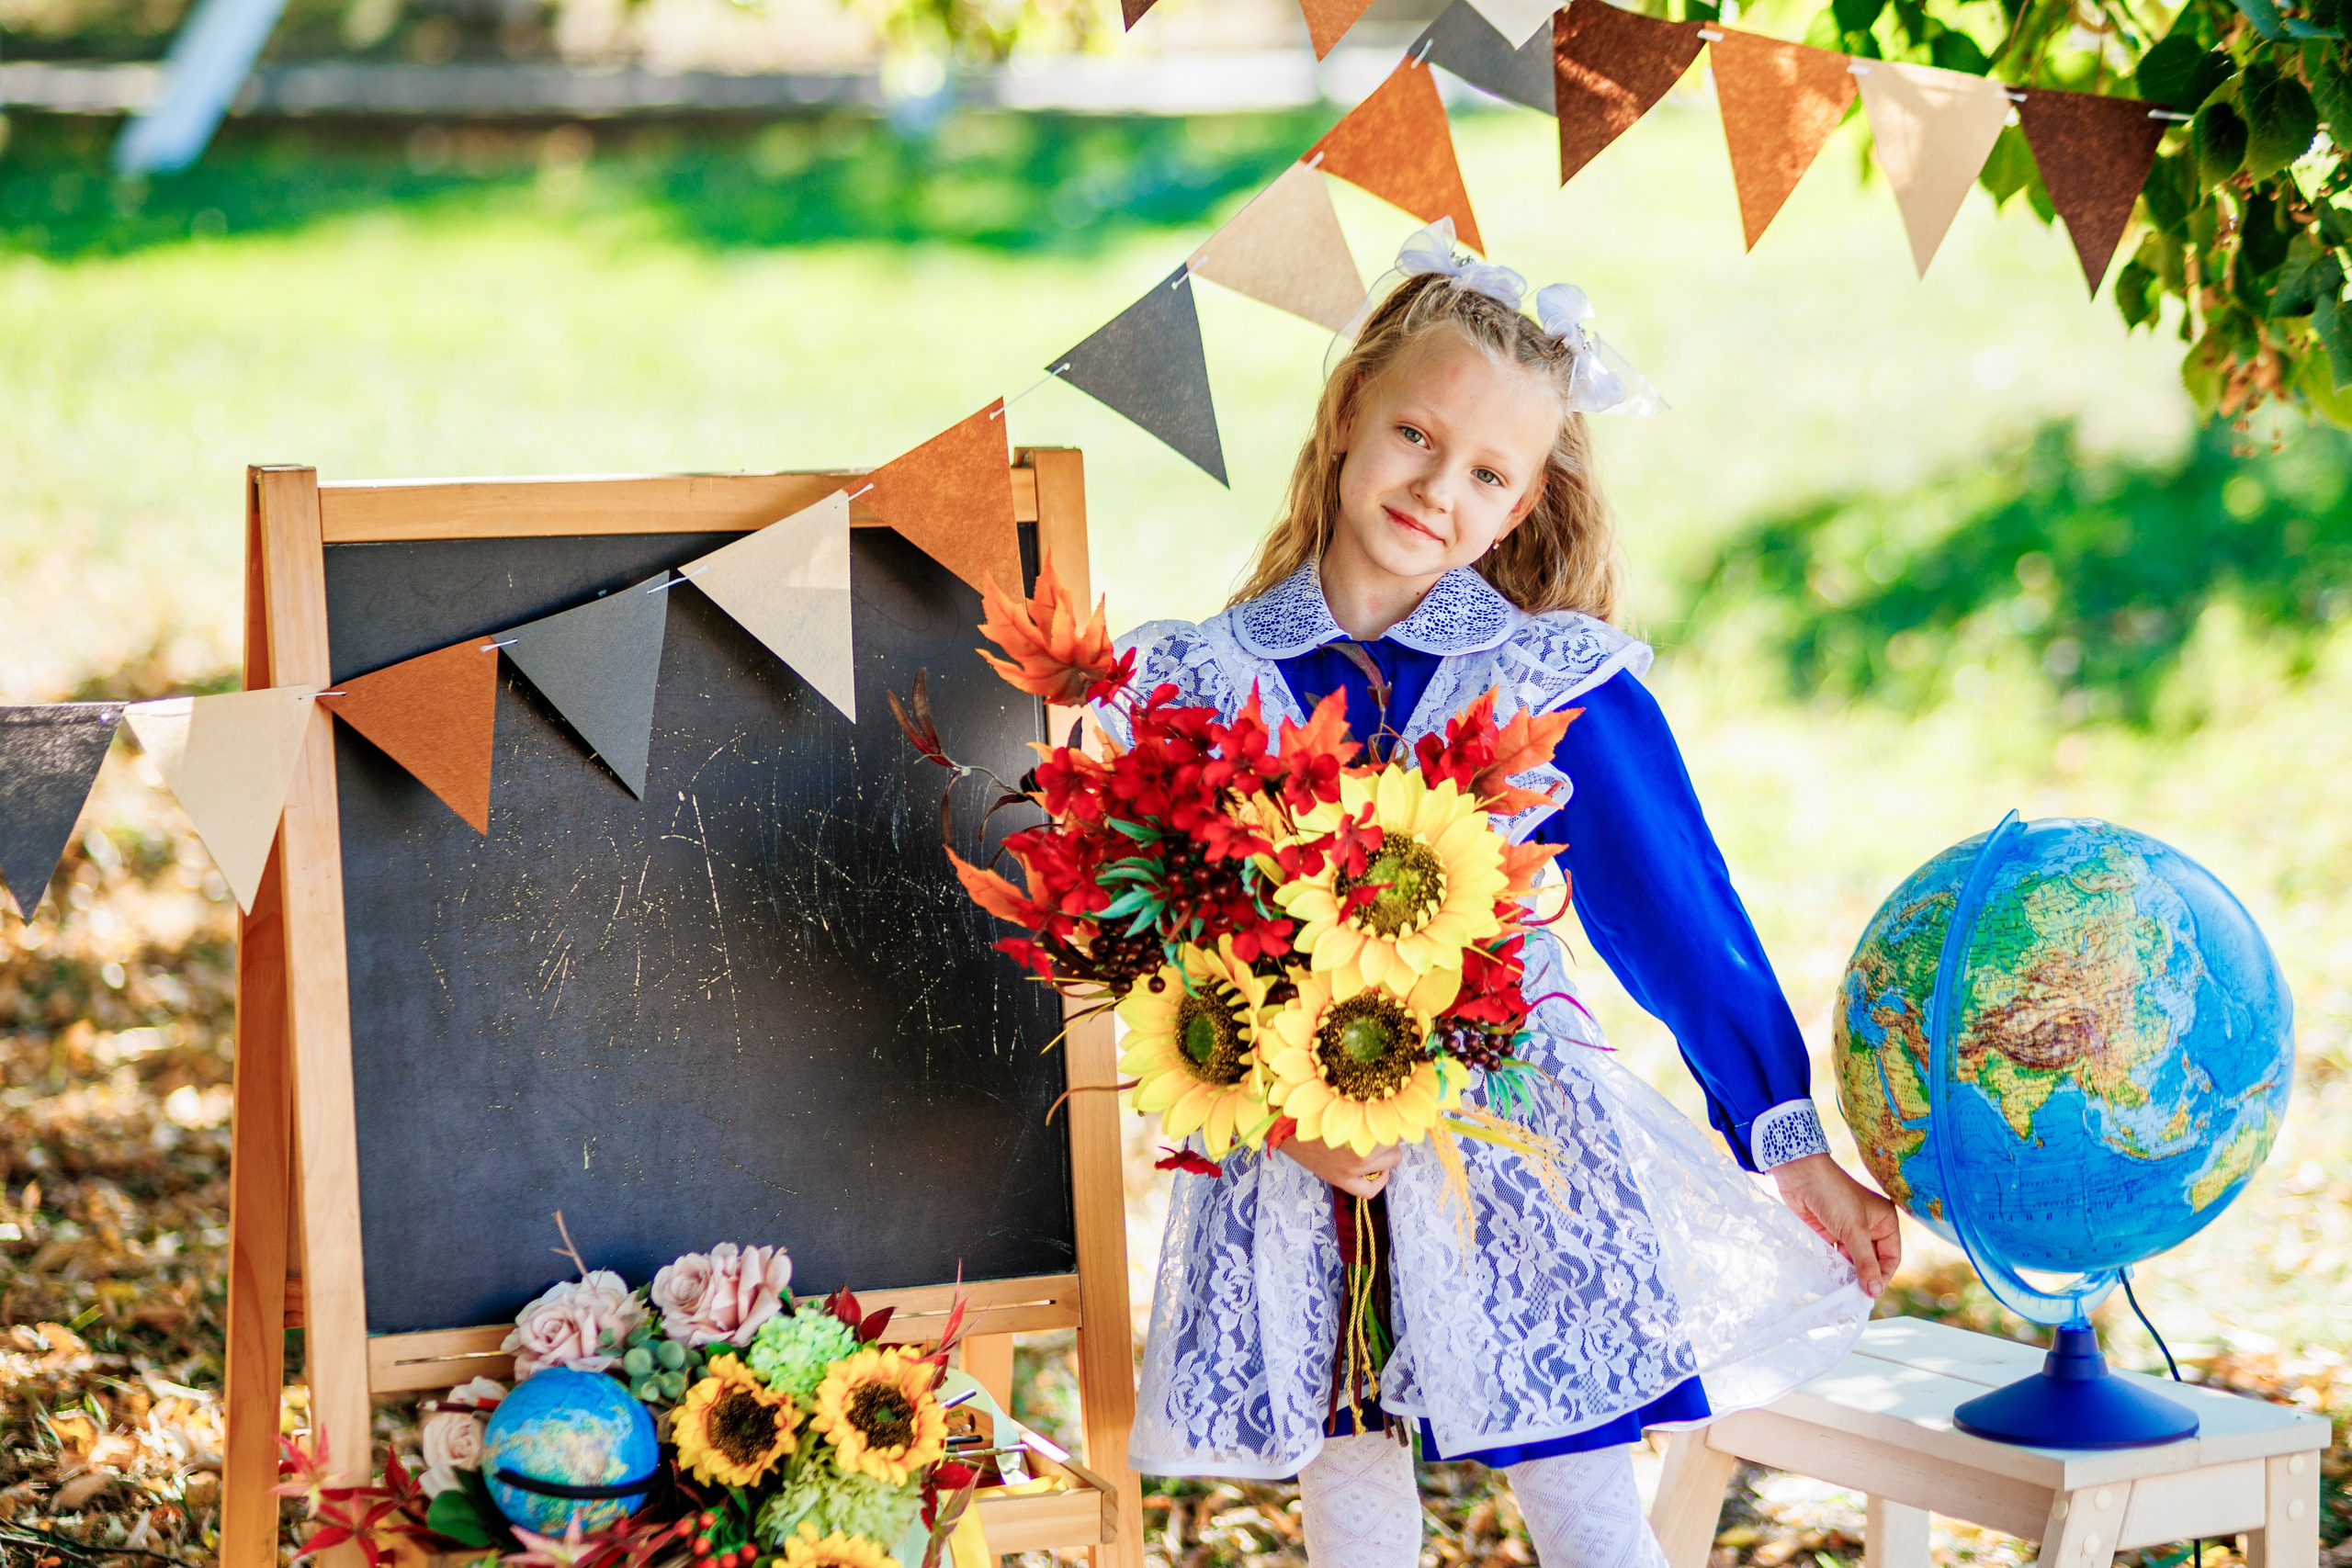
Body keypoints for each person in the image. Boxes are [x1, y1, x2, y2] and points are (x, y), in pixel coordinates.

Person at [1099, 223, 1904, 1568]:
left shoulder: (1548, 682)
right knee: (1351, 1496)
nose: (1438, 489)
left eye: (1487, 473)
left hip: (1523, 1148)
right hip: (1300, 1169)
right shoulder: (1194, 681)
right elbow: (1148, 944)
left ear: (1522, 506)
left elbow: (1678, 919)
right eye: (1416, 436)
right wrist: (1280, 1115)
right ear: (1348, 415)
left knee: (1586, 1505)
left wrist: (1789, 1140)